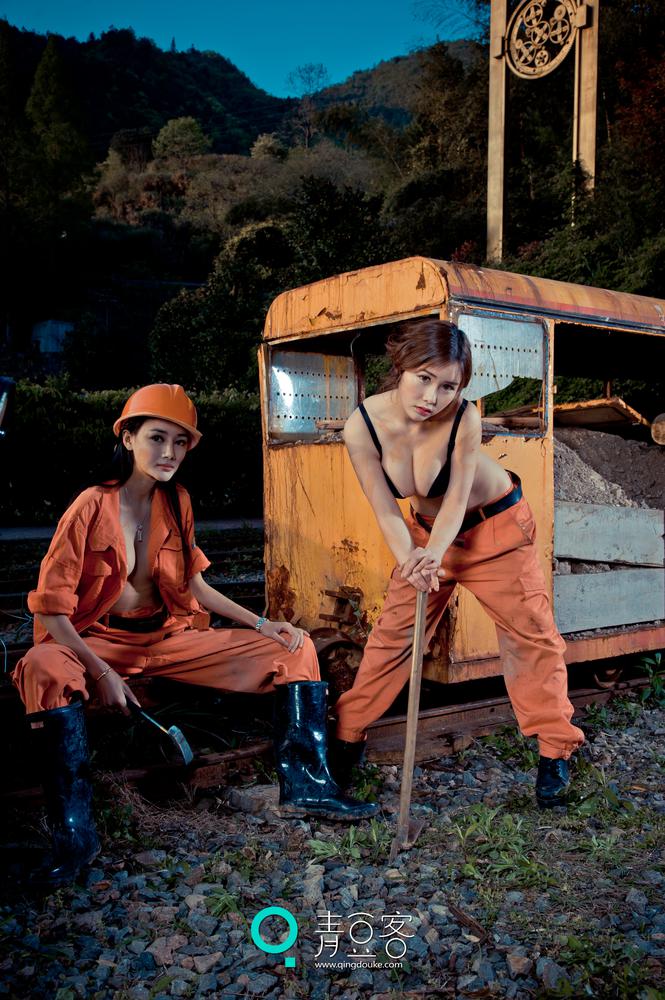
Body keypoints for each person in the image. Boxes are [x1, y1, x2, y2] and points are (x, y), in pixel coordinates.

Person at [13, 383, 376, 886]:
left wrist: (263, 623)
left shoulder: (176, 500)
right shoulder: (90, 506)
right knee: (41, 666)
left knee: (293, 649)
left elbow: (195, 587)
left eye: (180, 442)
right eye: (157, 437)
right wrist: (100, 672)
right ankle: (74, 836)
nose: (169, 452)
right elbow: (52, 612)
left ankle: (308, 786)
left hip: (166, 640)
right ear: (128, 438)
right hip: (94, 642)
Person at [330, 320, 584, 807]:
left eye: (448, 386)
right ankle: (346, 738)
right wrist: (413, 560)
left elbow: (455, 498)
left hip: (494, 528)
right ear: (402, 366)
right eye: (424, 378)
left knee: (531, 637)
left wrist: (431, 555)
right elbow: (385, 508)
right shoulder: (362, 426)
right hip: (423, 537)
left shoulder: (464, 417)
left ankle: (556, 751)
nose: (433, 396)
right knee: (392, 637)